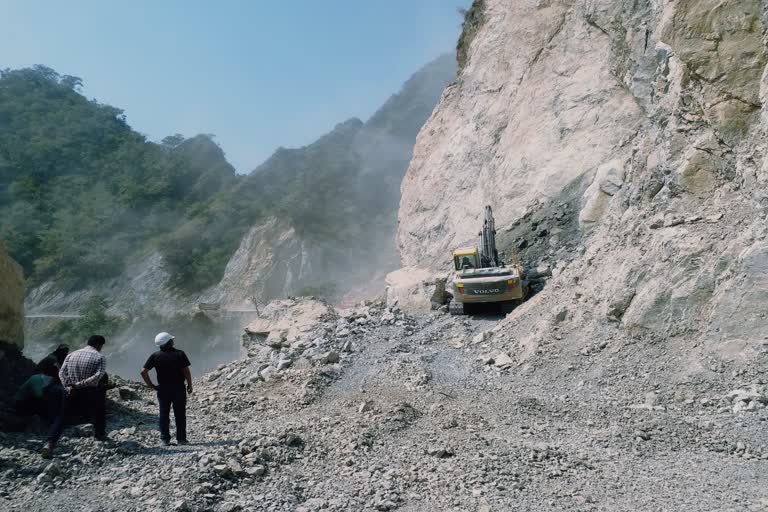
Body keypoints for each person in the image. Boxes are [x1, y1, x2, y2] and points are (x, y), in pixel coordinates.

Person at [41, 335, 108, 459]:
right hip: (88, 391)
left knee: (62, 417)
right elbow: (98, 376)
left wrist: (68, 387)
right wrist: (78, 385)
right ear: (99, 345)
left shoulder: (72, 354)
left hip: (70, 391)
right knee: (100, 410)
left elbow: (61, 372)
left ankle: (49, 443)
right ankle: (100, 435)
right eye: (101, 346)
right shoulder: (100, 357)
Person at [140, 332, 193, 446]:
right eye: (171, 340)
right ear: (169, 342)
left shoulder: (155, 356)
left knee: (164, 414)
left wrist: (151, 385)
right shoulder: (180, 354)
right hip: (178, 388)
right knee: (180, 414)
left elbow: (143, 372)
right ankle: (181, 439)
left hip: (163, 389)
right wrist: (189, 384)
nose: (173, 341)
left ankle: (165, 439)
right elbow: (186, 371)